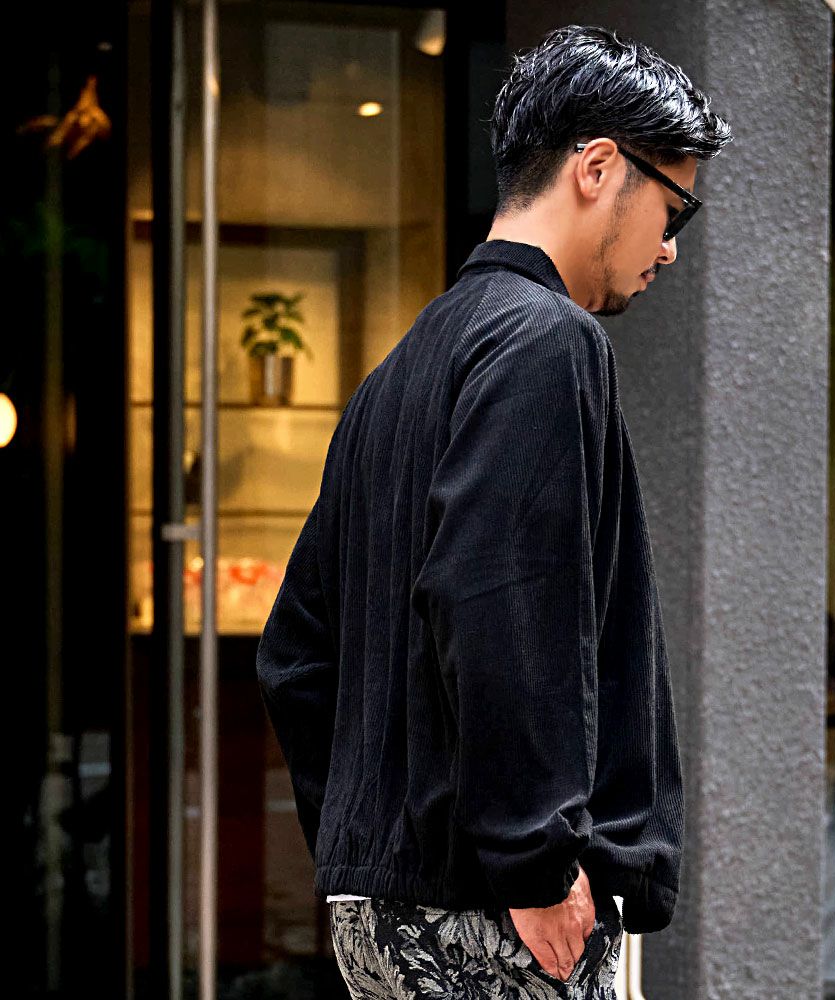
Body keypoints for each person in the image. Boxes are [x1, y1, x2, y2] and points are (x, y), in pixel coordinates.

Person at [256, 23, 732, 997]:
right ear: (597, 168)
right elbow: (498, 600)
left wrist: (366, 838)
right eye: (673, 207)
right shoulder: (547, 342)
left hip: (384, 913)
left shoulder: (403, 368)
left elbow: (295, 650)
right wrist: (533, 861)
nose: (670, 248)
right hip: (497, 911)